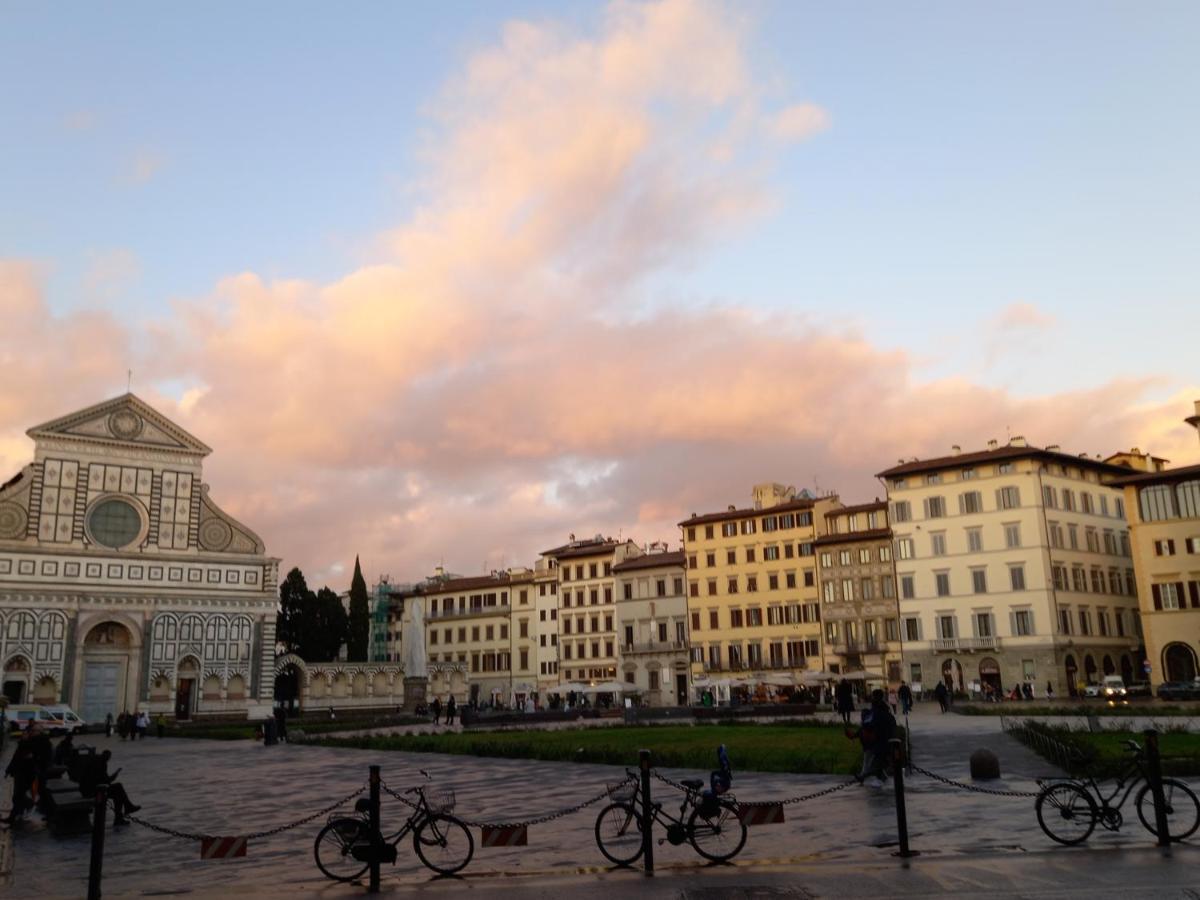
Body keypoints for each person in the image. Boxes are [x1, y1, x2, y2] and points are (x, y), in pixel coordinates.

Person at [79, 750, 140, 825]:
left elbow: (102, 780)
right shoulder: (101, 763)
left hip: (88, 790)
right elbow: (105, 781)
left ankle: (124, 812)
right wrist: (115, 775)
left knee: (118, 792)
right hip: (93, 792)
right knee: (118, 788)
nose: (108, 759)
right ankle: (124, 811)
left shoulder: (97, 761)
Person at [857, 689, 897, 787]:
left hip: (878, 741)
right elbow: (892, 724)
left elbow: (868, 724)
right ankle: (879, 778)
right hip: (885, 739)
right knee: (878, 762)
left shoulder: (874, 712)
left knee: (876, 763)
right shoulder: (885, 711)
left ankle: (866, 776)